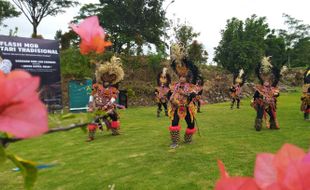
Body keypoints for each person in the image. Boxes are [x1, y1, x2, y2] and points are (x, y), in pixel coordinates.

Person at [168, 43, 200, 148]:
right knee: (174, 122)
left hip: (187, 108)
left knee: (191, 124)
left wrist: (186, 94)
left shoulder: (190, 86)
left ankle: (188, 139)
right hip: (176, 107)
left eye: (183, 77)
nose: (181, 78)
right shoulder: (175, 85)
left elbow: (193, 94)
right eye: (180, 76)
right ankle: (174, 142)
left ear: (187, 77)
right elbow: (170, 94)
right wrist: (172, 99)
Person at [87, 56, 124, 141]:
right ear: (102, 76)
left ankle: (114, 131)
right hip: (98, 106)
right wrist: (90, 104)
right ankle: (91, 135)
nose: (108, 78)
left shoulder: (114, 87)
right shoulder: (96, 85)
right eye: (107, 75)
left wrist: (108, 104)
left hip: (109, 107)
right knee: (94, 119)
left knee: (114, 116)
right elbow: (92, 94)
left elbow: (114, 97)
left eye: (111, 76)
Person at [251, 56, 280, 131]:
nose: (266, 79)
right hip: (262, 101)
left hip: (270, 102)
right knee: (260, 114)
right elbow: (257, 73)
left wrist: (276, 94)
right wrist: (254, 98)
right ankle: (258, 125)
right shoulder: (261, 86)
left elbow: (277, 77)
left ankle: (272, 124)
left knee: (272, 114)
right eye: (264, 76)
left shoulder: (273, 84)